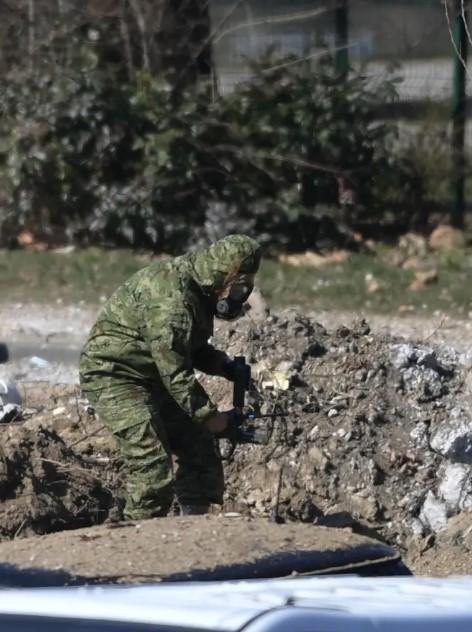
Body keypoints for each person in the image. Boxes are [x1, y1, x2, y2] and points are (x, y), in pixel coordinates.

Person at [79, 234, 261, 520]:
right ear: (224, 276)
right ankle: (133, 546)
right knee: (152, 466)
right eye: (238, 289)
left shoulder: (199, 289)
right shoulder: (172, 302)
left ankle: (191, 534)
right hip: (115, 375)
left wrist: (223, 366)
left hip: (153, 373)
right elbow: (177, 375)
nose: (239, 297)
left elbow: (187, 347)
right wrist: (216, 420)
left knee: (200, 447)